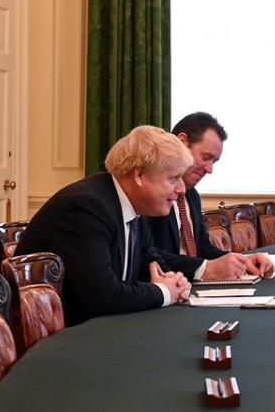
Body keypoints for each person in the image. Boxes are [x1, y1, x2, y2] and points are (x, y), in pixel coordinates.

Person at [15, 126, 194, 325]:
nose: (181, 189)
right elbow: (103, 296)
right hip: (67, 340)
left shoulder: (135, 206)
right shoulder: (85, 207)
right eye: (173, 178)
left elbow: (150, 262)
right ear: (139, 175)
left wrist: (174, 281)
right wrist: (165, 292)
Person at [146, 112, 274, 280]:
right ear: (182, 142)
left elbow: (202, 248)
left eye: (214, 162)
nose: (209, 169)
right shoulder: (152, 191)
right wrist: (204, 268)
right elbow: (147, 253)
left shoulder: (192, 196)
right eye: (206, 157)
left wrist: (241, 261)